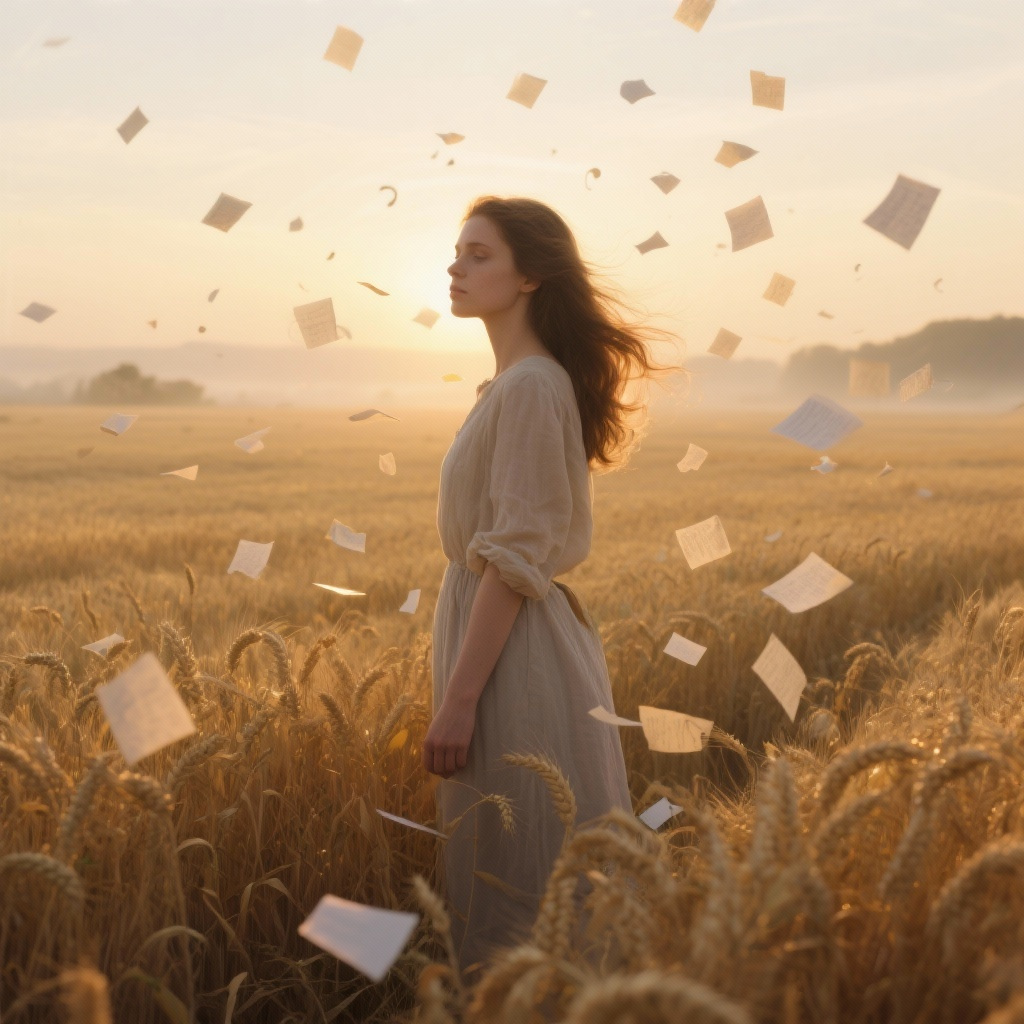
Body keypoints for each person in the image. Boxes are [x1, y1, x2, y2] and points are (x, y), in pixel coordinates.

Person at [422, 196, 665, 976]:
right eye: (457, 251)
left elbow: (516, 557)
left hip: (510, 655)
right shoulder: (509, 385)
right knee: (512, 869)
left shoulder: (529, 387)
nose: (456, 267)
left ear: (530, 276)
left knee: (524, 879)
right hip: (496, 640)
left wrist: (459, 700)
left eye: (479, 254)